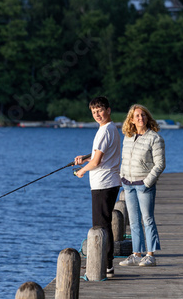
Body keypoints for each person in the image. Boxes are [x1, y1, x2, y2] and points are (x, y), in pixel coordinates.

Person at [74, 96, 121, 278]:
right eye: (94, 112)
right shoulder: (111, 129)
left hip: (103, 183)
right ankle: (107, 263)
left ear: (108, 110)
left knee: (100, 226)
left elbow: (97, 161)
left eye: (100, 110)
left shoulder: (104, 131)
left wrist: (82, 170)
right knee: (104, 224)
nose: (97, 114)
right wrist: (84, 158)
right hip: (110, 182)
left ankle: (106, 265)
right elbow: (99, 155)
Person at [119, 104, 165, 267]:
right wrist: (122, 177)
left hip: (144, 185)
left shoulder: (155, 138)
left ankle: (150, 255)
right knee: (133, 220)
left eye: (143, 115)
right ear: (131, 119)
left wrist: (147, 182)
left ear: (147, 118)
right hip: (128, 184)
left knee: (147, 219)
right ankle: (136, 254)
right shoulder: (128, 136)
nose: (140, 118)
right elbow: (124, 160)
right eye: (137, 116)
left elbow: (160, 164)